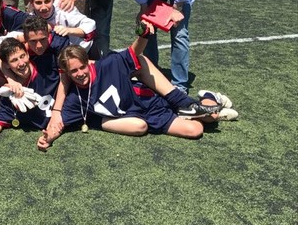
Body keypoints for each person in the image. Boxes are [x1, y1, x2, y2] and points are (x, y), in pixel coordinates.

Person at [38, 25, 225, 151]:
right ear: (67, 73)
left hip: (150, 103)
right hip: (140, 119)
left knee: (212, 116)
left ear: (89, 63)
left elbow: (134, 51)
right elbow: (58, 124)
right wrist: (49, 138)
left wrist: (144, 33)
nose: (80, 74)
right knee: (195, 130)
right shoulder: (75, 99)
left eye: (82, 67)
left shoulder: (108, 65)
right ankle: (189, 111)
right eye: (74, 71)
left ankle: (208, 96)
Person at [0, 38, 57, 148]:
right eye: (14, 60)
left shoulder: (47, 65)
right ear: (6, 65)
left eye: (22, 56)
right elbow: (1, 118)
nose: (21, 63)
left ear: (28, 54)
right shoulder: (9, 91)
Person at [28, 0, 95, 52]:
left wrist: (68, 30)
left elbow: (90, 26)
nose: (44, 7)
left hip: (77, 50)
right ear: (31, 2)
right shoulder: (30, 17)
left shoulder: (63, 7)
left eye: (47, 1)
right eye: (38, 3)